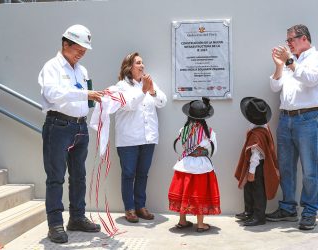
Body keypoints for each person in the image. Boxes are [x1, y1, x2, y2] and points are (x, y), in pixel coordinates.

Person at [38, 24, 103, 243]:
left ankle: (77, 217)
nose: (82, 52)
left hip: (80, 127)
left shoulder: (81, 70)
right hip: (58, 125)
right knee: (55, 177)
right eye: (79, 48)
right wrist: (86, 93)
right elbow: (53, 93)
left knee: (79, 176)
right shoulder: (52, 67)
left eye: (85, 49)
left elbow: (85, 97)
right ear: (66, 44)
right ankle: (55, 224)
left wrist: (101, 98)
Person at [266, 24, 318, 230]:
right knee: (285, 166)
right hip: (286, 118)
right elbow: (275, 86)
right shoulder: (287, 62)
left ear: (304, 38)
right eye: (287, 40)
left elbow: (309, 80)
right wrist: (278, 65)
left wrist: (289, 61)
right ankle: (288, 207)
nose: (288, 44)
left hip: (309, 117)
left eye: (290, 40)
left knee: (310, 168)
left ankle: (310, 211)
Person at [114, 52, 167, 223]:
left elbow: (162, 102)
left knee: (143, 174)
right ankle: (129, 209)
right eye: (138, 63)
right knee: (129, 174)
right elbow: (129, 105)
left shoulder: (149, 83)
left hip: (148, 138)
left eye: (143, 62)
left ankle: (140, 206)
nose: (142, 65)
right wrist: (143, 91)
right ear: (129, 67)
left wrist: (151, 90)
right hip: (128, 139)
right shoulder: (120, 86)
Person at [168, 97, 221, 232]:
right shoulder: (209, 132)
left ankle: (182, 220)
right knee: (200, 193)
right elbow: (213, 152)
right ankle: (200, 224)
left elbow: (183, 146)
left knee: (184, 192)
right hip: (201, 166)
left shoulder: (183, 130)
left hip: (185, 164)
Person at [234, 97, 279, 226]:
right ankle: (249, 211)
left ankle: (259, 216)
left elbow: (256, 154)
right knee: (248, 188)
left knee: (257, 190)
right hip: (255, 166)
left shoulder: (257, 134)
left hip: (257, 167)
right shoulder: (263, 127)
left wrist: (252, 171)